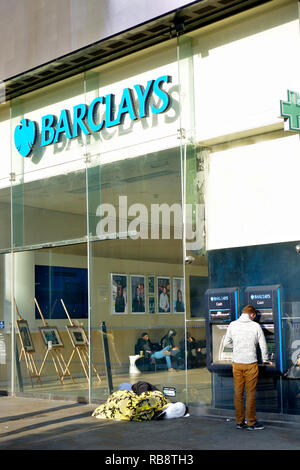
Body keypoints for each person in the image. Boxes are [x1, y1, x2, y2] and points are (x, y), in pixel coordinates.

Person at [223, 304, 272, 431]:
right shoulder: (255, 326)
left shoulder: (232, 324)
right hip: (251, 363)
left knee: (238, 394)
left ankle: (239, 422)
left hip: (237, 363)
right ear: (252, 315)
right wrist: (266, 360)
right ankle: (251, 422)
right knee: (250, 393)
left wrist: (238, 347)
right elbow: (263, 346)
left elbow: (226, 343)